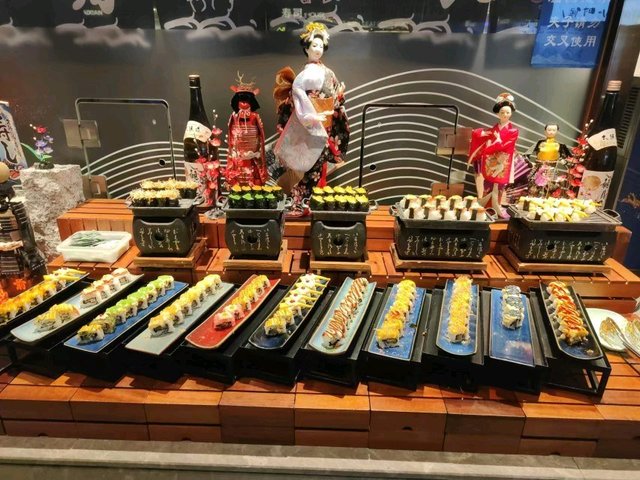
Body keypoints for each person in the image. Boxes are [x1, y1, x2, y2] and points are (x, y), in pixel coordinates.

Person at [272, 22, 350, 216]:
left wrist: (338, 97)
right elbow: (294, 102)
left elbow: (336, 100)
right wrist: (304, 114)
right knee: (305, 166)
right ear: (306, 48)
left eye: (321, 46)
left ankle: (312, 203)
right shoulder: (302, 75)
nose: (318, 49)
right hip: (305, 126)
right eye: (314, 45)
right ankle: (300, 203)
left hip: (324, 126)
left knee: (318, 166)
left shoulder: (329, 74)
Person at [467, 92, 519, 218]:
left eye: (507, 112)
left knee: (500, 184)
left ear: (511, 113)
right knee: (488, 183)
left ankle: (497, 206)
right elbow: (478, 134)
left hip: (504, 161)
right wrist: (481, 134)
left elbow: (506, 145)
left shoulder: (513, 131)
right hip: (491, 160)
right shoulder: (494, 129)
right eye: (502, 112)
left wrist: (497, 141)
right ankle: (486, 206)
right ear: (497, 114)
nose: (505, 115)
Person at [225, 73, 267, 188]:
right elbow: (230, 134)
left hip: (252, 154)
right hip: (238, 154)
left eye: (246, 100)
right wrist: (232, 151)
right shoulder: (234, 116)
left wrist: (259, 152)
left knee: (252, 177)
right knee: (238, 177)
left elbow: (261, 135)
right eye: (241, 99)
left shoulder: (255, 116)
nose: (244, 103)